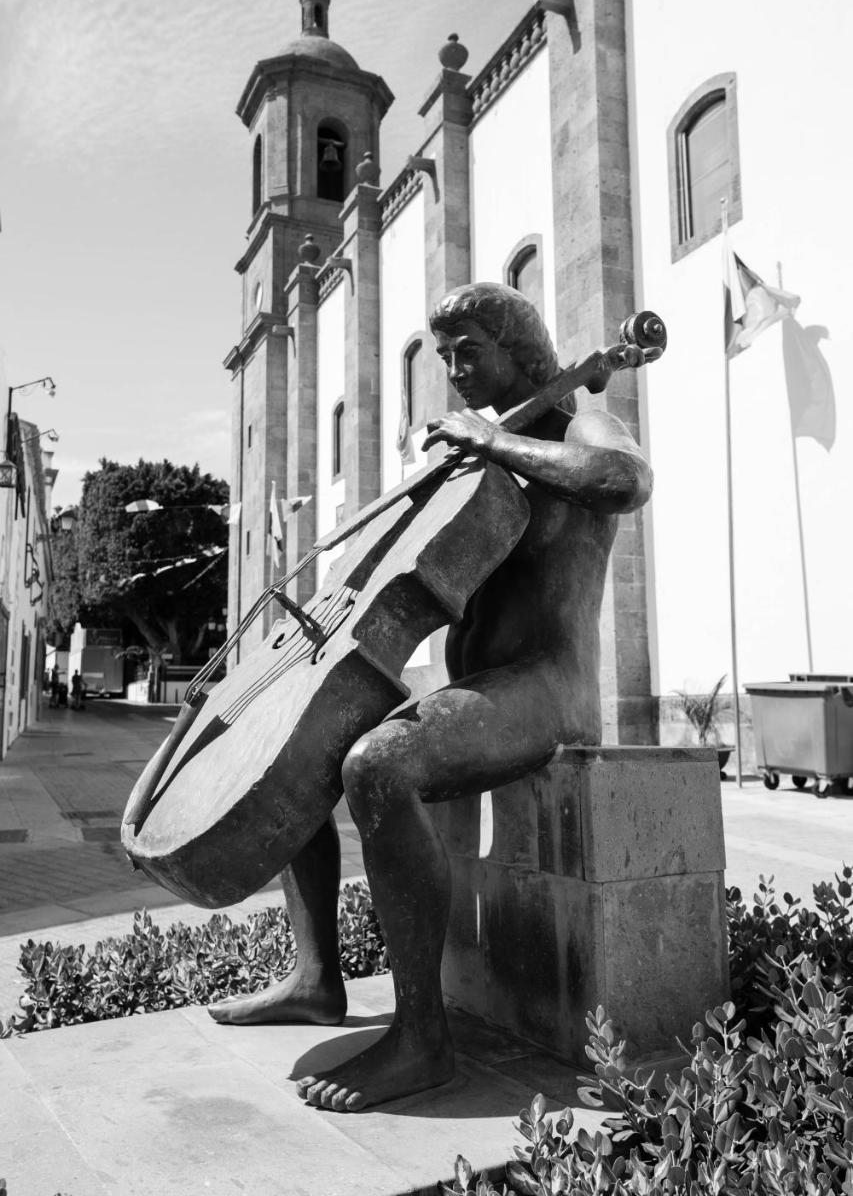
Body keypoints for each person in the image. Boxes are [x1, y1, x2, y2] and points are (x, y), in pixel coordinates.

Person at [208, 283, 656, 1112]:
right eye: (444, 355)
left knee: (378, 764)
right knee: (307, 743)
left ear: (520, 352)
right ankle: (313, 975)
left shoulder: (577, 420)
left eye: (467, 352)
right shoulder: (489, 445)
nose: (451, 371)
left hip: (546, 689)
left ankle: (422, 1039)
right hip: (478, 686)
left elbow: (622, 479)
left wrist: (494, 444)